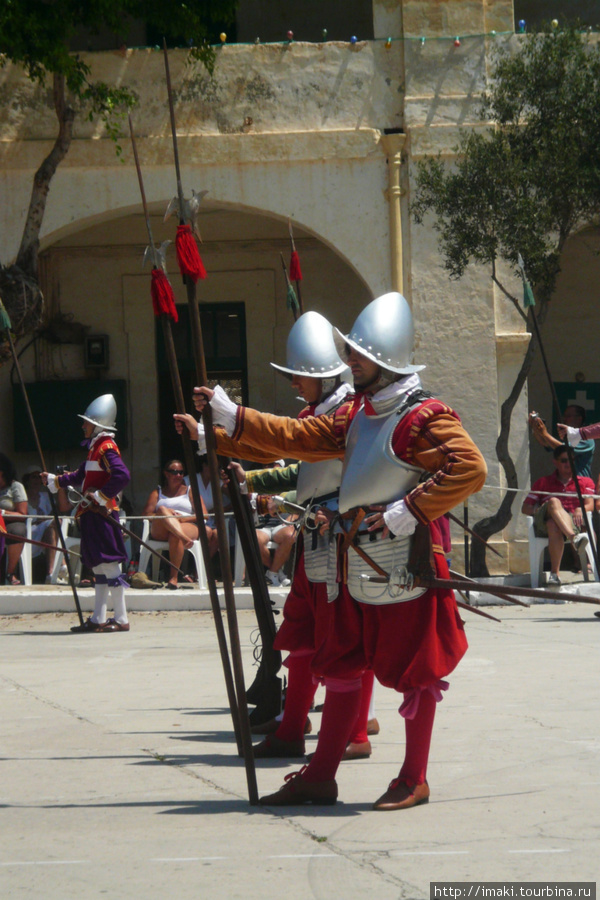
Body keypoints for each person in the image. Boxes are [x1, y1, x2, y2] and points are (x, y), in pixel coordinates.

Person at [178, 292, 487, 810]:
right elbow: (301, 437)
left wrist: (407, 510)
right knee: (341, 660)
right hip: (352, 558)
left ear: (385, 359)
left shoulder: (424, 416)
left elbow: (469, 467)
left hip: (403, 560)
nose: (350, 363)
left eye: (360, 356)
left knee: (417, 670)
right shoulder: (358, 414)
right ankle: (320, 774)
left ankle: (414, 777)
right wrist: (233, 418)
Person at [42, 394, 131, 633]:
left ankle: (121, 618)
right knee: (99, 567)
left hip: (102, 513)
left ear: (97, 424)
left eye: (86, 422)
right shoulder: (95, 448)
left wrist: (102, 496)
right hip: (91, 514)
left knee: (110, 565)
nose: (83, 426)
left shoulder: (106, 447)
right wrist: (56, 480)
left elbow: (122, 475)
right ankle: (99, 617)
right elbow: (81, 475)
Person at [521, 445, 595, 586]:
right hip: (544, 522)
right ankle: (574, 539)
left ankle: (554, 575)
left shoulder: (585, 482)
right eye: (564, 460)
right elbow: (525, 508)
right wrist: (541, 509)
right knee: (554, 501)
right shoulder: (543, 482)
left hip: (571, 522)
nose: (569, 464)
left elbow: (590, 505)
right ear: (555, 462)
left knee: (553, 524)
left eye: (571, 460)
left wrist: (581, 508)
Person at [142, 459, 216, 589]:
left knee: (174, 534)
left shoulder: (190, 491)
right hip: (162, 528)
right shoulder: (157, 493)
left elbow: (204, 515)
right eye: (175, 472)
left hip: (185, 524)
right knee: (162, 509)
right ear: (166, 474)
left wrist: (183, 519)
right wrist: (167, 514)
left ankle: (173, 577)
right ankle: (182, 537)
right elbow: (146, 515)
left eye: (181, 472)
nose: (179, 476)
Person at [529, 405, 595, 477]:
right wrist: (534, 427)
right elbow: (545, 443)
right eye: (564, 416)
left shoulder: (586, 438)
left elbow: (564, 449)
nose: (564, 419)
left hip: (580, 484)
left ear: (579, 419)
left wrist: (545, 434)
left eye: (568, 416)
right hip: (564, 484)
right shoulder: (566, 437)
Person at [0, 452, 28, 585]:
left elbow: (22, 514)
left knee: (18, 531)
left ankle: (10, 573)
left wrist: (2, 512)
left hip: (9, 523)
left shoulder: (15, 487)